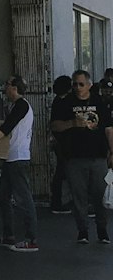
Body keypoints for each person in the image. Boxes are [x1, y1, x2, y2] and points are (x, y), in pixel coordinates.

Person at [0, 75, 38, 252]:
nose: (5, 88)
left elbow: (6, 128)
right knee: (3, 196)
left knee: (23, 198)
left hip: (18, 158)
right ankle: (8, 235)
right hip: (11, 157)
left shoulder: (21, 106)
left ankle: (31, 238)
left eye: (7, 85)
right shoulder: (16, 106)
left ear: (14, 88)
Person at [51, 69, 113, 244]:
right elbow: (55, 126)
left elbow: (109, 129)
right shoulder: (66, 103)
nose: (78, 88)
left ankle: (102, 230)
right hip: (74, 157)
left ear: (89, 85)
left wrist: (112, 152)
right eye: (75, 84)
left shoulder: (99, 103)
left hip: (98, 157)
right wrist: (72, 123)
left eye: (81, 84)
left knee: (100, 194)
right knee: (79, 196)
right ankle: (83, 230)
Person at [49, 75, 74, 214]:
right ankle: (58, 202)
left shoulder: (57, 101)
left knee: (61, 171)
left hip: (60, 141)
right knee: (65, 171)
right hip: (65, 142)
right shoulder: (65, 102)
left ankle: (57, 201)